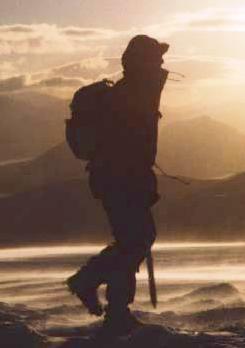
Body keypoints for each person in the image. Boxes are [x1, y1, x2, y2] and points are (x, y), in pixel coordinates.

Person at [66, 35, 169, 335]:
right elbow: (127, 146)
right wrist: (138, 181)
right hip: (121, 180)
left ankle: (109, 301)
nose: (162, 62)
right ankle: (103, 298)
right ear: (141, 62)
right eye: (156, 57)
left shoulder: (135, 91)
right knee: (136, 239)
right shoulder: (130, 95)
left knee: (134, 239)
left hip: (120, 179)